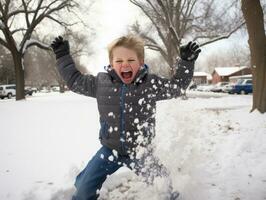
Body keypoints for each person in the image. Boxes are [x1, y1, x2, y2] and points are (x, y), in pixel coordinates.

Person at [51, 35, 201, 200]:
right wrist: (63, 56)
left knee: (165, 189)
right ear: (111, 63)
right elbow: (75, 81)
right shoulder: (101, 83)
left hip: (140, 152)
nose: (125, 64)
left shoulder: (150, 84)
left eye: (131, 59)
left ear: (141, 61)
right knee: (83, 189)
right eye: (119, 61)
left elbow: (177, 86)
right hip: (109, 149)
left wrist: (186, 62)